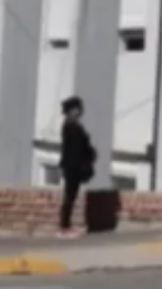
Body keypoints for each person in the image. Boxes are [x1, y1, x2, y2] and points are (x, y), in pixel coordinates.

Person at [57, 97, 95, 237]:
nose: (78, 111)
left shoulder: (74, 125)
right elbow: (75, 149)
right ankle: (64, 227)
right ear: (70, 111)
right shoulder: (70, 126)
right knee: (69, 196)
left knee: (71, 196)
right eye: (76, 109)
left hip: (74, 166)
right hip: (72, 166)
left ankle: (67, 225)